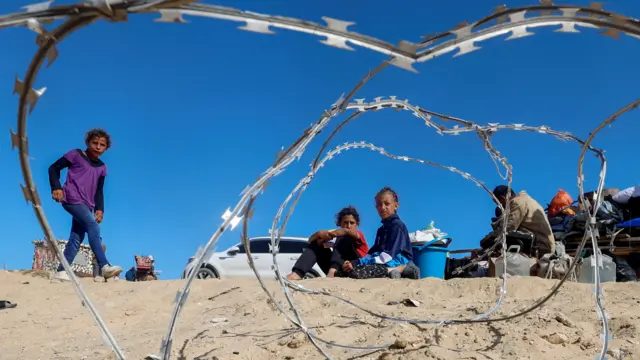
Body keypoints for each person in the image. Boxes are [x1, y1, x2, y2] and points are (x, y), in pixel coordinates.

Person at [48, 128, 122, 281]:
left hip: (87, 204)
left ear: (106, 148)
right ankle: (104, 266)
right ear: (88, 142)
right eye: (94, 143)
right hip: (71, 198)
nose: (98, 147)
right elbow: (53, 168)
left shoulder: (102, 167)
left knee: (76, 238)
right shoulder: (76, 154)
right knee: (93, 226)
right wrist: (56, 187)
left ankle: (62, 271)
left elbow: (99, 190)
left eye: (102, 145)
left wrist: (100, 209)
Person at [343, 186, 420, 280]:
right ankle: (393, 272)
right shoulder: (381, 229)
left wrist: (359, 262)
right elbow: (374, 251)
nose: (383, 207)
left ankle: (402, 269)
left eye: (387, 204)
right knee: (349, 271)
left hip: (396, 260)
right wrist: (355, 262)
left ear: (396, 206)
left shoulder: (397, 226)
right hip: (384, 260)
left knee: (359, 272)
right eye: (379, 205)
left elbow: (389, 255)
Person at [287, 206, 369, 280]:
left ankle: (332, 270)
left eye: (352, 223)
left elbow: (346, 231)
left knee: (344, 236)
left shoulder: (359, 236)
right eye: (345, 222)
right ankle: (297, 273)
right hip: (341, 270)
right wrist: (319, 234)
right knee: (318, 244)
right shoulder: (336, 242)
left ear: (357, 225)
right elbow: (310, 240)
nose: (348, 225)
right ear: (340, 223)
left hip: (356, 267)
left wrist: (330, 234)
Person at [481, 185, 555, 258]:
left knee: (500, 241)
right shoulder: (525, 200)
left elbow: (507, 228)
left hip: (542, 248)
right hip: (544, 245)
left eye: (498, 203)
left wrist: (488, 238)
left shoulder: (517, 203)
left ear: (503, 199)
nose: (501, 207)